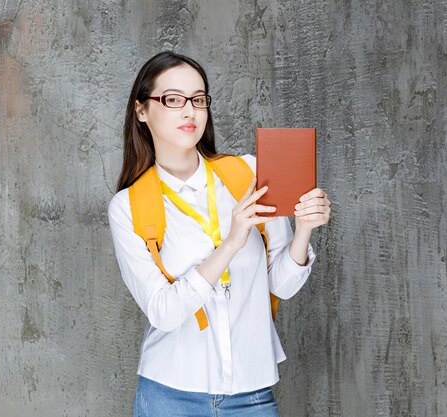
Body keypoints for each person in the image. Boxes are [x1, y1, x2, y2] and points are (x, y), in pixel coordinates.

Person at [108, 51, 331, 417]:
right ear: (141, 110)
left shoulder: (248, 174)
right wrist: (230, 244)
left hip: (251, 394)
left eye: (198, 99)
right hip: (169, 396)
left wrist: (304, 230)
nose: (189, 111)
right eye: (173, 99)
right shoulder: (128, 206)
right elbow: (163, 312)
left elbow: (283, 286)